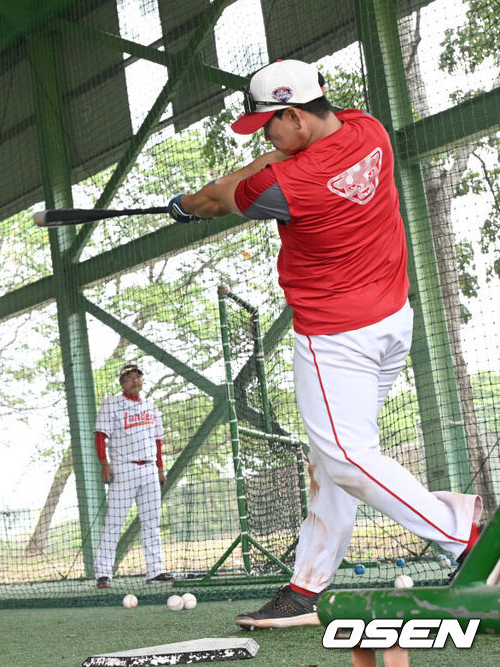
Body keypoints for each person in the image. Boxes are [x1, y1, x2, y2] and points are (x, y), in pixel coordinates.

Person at [167, 59, 482, 628]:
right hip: (391, 324)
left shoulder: (286, 185)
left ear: (293, 116)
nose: (266, 138)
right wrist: (234, 176)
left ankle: (464, 536)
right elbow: (272, 162)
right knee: (330, 456)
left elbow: (220, 199)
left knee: (344, 458)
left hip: (335, 339)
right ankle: (306, 587)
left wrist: (184, 205)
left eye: (268, 125)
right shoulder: (368, 129)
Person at [93, 362, 173, 588]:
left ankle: (155, 571)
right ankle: (103, 572)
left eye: (138, 376)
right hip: (123, 468)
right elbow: (100, 436)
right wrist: (104, 464)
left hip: (149, 469)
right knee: (114, 522)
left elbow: (157, 440)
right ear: (122, 382)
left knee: (151, 522)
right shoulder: (112, 404)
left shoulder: (150, 405)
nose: (135, 380)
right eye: (129, 377)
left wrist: (160, 467)